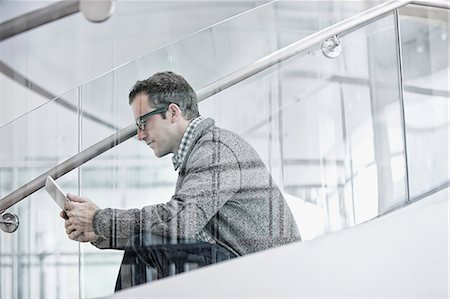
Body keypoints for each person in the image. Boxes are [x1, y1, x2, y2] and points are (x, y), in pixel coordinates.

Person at [62, 71, 300, 285]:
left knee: (146, 245)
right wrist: (100, 232)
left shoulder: (217, 148)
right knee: (149, 244)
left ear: (172, 112)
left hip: (269, 281)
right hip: (252, 273)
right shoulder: (201, 152)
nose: (140, 135)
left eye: (143, 122)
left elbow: (180, 222)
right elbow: (178, 231)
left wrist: (100, 220)